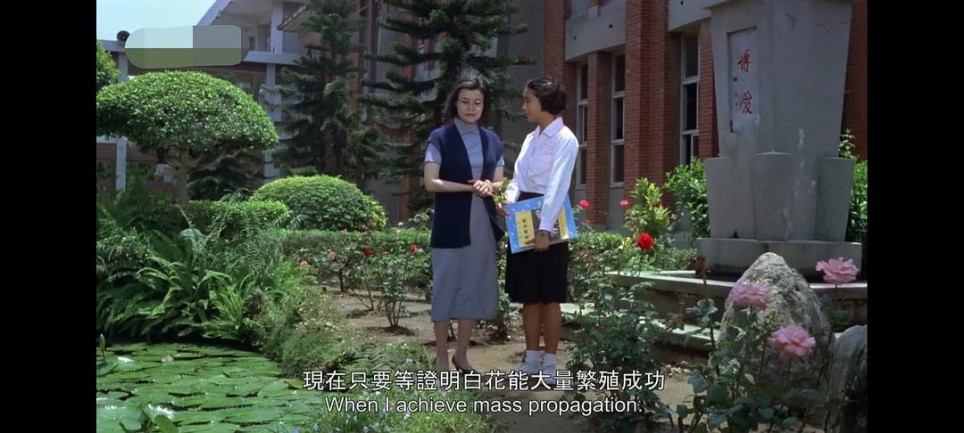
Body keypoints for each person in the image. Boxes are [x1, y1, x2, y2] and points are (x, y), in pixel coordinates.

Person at [423, 77, 506, 373]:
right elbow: (431, 182)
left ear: (484, 106)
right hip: (450, 224)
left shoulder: (492, 140)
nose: (472, 108)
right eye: (465, 102)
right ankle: (441, 357)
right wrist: (470, 187)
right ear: (455, 104)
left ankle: (462, 355)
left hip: (482, 223)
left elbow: (499, 182)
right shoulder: (440, 138)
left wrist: (489, 187)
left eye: (477, 102)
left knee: (472, 286)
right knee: (446, 286)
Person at [499, 76, 578, 386]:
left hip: (550, 215)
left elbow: (559, 184)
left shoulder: (565, 139)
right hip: (523, 213)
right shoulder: (531, 138)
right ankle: (531, 358)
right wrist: (509, 199)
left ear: (544, 101)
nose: (524, 106)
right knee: (529, 294)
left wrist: (544, 228)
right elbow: (519, 176)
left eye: (528, 100)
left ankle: (550, 362)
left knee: (550, 295)